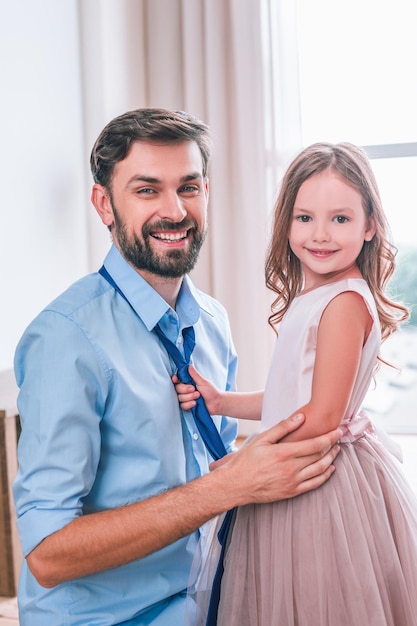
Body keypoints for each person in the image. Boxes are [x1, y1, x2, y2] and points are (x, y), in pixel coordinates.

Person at [12, 109, 342, 626]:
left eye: (188, 187)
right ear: (105, 204)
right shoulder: (65, 338)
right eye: (147, 190)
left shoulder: (212, 321)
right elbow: (49, 554)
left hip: (214, 600)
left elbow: (210, 459)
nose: (175, 210)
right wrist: (228, 487)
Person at [176, 142, 417, 625]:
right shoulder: (319, 296)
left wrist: (242, 464)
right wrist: (222, 401)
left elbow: (323, 417)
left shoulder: (345, 302)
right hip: (300, 454)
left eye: (341, 219)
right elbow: (294, 398)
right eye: (305, 218)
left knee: (317, 595)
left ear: (370, 226)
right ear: (286, 223)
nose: (320, 234)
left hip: (319, 477)